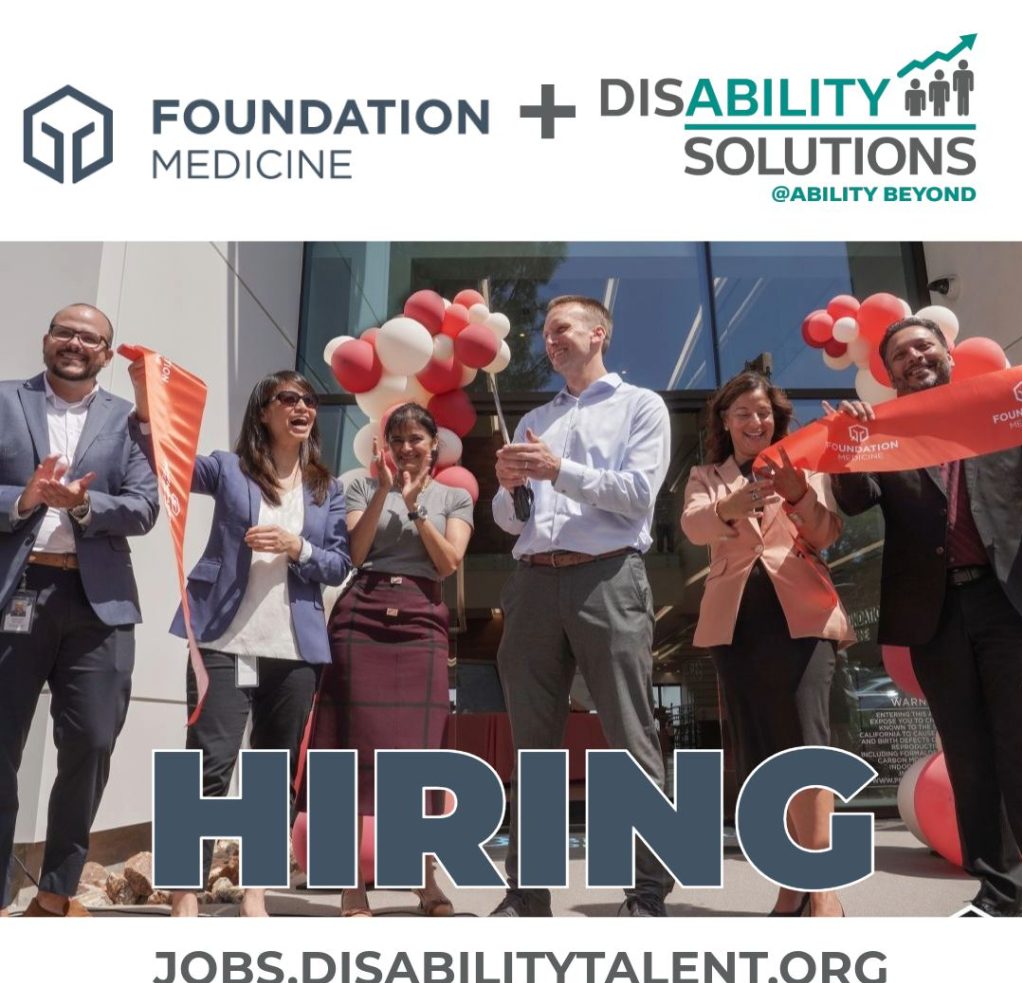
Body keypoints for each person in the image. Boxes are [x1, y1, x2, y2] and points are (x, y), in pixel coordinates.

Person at [130, 367, 349, 917]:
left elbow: (338, 563)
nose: (302, 408)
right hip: (224, 640)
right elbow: (168, 460)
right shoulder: (229, 469)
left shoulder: (327, 489)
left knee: (273, 774)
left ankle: (255, 892)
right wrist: (145, 400)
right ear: (263, 411)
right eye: (289, 398)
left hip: (293, 650)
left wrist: (297, 546)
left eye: (309, 400)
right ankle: (183, 891)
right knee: (206, 762)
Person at [829, 316, 1022, 917]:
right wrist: (850, 445)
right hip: (935, 617)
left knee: (1019, 743)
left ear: (947, 355)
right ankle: (999, 894)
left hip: (1007, 603)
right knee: (967, 754)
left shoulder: (999, 414)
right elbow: (855, 502)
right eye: (901, 354)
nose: (915, 357)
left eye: (924, 346)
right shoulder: (885, 432)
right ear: (889, 373)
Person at [490, 294, 674, 917]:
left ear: (599, 334)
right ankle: (527, 894)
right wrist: (510, 488)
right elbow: (511, 521)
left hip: (608, 576)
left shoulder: (640, 406)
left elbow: (638, 495)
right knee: (532, 747)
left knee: (629, 734)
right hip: (533, 582)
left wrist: (557, 469)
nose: (550, 339)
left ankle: (647, 892)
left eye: (562, 328)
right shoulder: (535, 418)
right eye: (546, 332)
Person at [0, 304, 159, 917]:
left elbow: (143, 505)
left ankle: (55, 893)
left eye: (89, 338)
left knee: (92, 740)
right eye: (64, 332)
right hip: (16, 592)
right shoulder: (6, 401)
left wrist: (86, 507)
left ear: (106, 354)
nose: (75, 343)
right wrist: (25, 498)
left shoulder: (127, 421)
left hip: (99, 603)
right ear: (47, 339)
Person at [682, 371, 854, 917]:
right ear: (725, 421)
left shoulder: (805, 463)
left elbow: (827, 534)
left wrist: (798, 493)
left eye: (763, 412)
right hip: (736, 623)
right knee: (763, 754)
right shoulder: (706, 476)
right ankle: (789, 883)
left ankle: (823, 887)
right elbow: (693, 528)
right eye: (743, 413)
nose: (754, 421)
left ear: (775, 418)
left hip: (802, 613)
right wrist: (728, 507)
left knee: (806, 745)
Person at [301, 402, 473, 917]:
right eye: (397, 440)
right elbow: (354, 554)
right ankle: (350, 884)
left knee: (420, 755)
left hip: (422, 620)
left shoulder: (455, 496)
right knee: (348, 750)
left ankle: (424, 879)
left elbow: (448, 561)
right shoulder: (359, 487)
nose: (406, 448)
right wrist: (384, 491)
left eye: (416, 438)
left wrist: (417, 509)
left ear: (434, 445)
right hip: (362, 617)